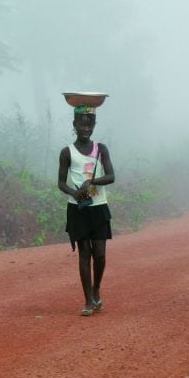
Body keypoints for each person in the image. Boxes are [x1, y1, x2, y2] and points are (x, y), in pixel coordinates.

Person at [58, 103, 115, 317]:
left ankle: (96, 288)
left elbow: (111, 176)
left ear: (94, 125)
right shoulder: (67, 152)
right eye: (81, 124)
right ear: (74, 125)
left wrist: (91, 182)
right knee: (84, 254)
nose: (85, 128)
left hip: (99, 207)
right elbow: (61, 183)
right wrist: (74, 193)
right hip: (78, 209)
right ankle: (88, 300)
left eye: (89, 124)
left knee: (99, 254)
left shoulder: (101, 149)